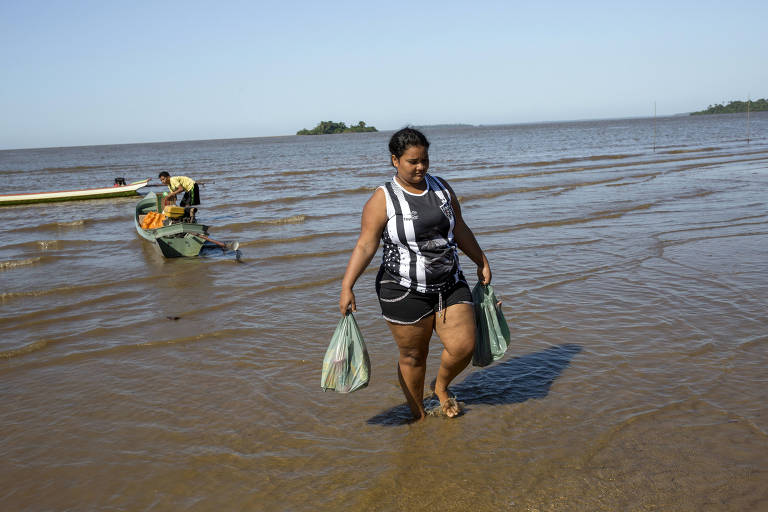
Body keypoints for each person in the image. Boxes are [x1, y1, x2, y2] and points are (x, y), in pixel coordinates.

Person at [339, 127, 492, 421]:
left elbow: (459, 227)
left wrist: (481, 260)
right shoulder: (383, 199)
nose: (421, 166)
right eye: (412, 161)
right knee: (413, 357)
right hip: (402, 290)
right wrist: (348, 286)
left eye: (424, 159)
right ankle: (418, 414)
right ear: (395, 160)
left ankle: (441, 387)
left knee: (464, 346)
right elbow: (365, 245)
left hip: (450, 283)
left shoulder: (442, 188)